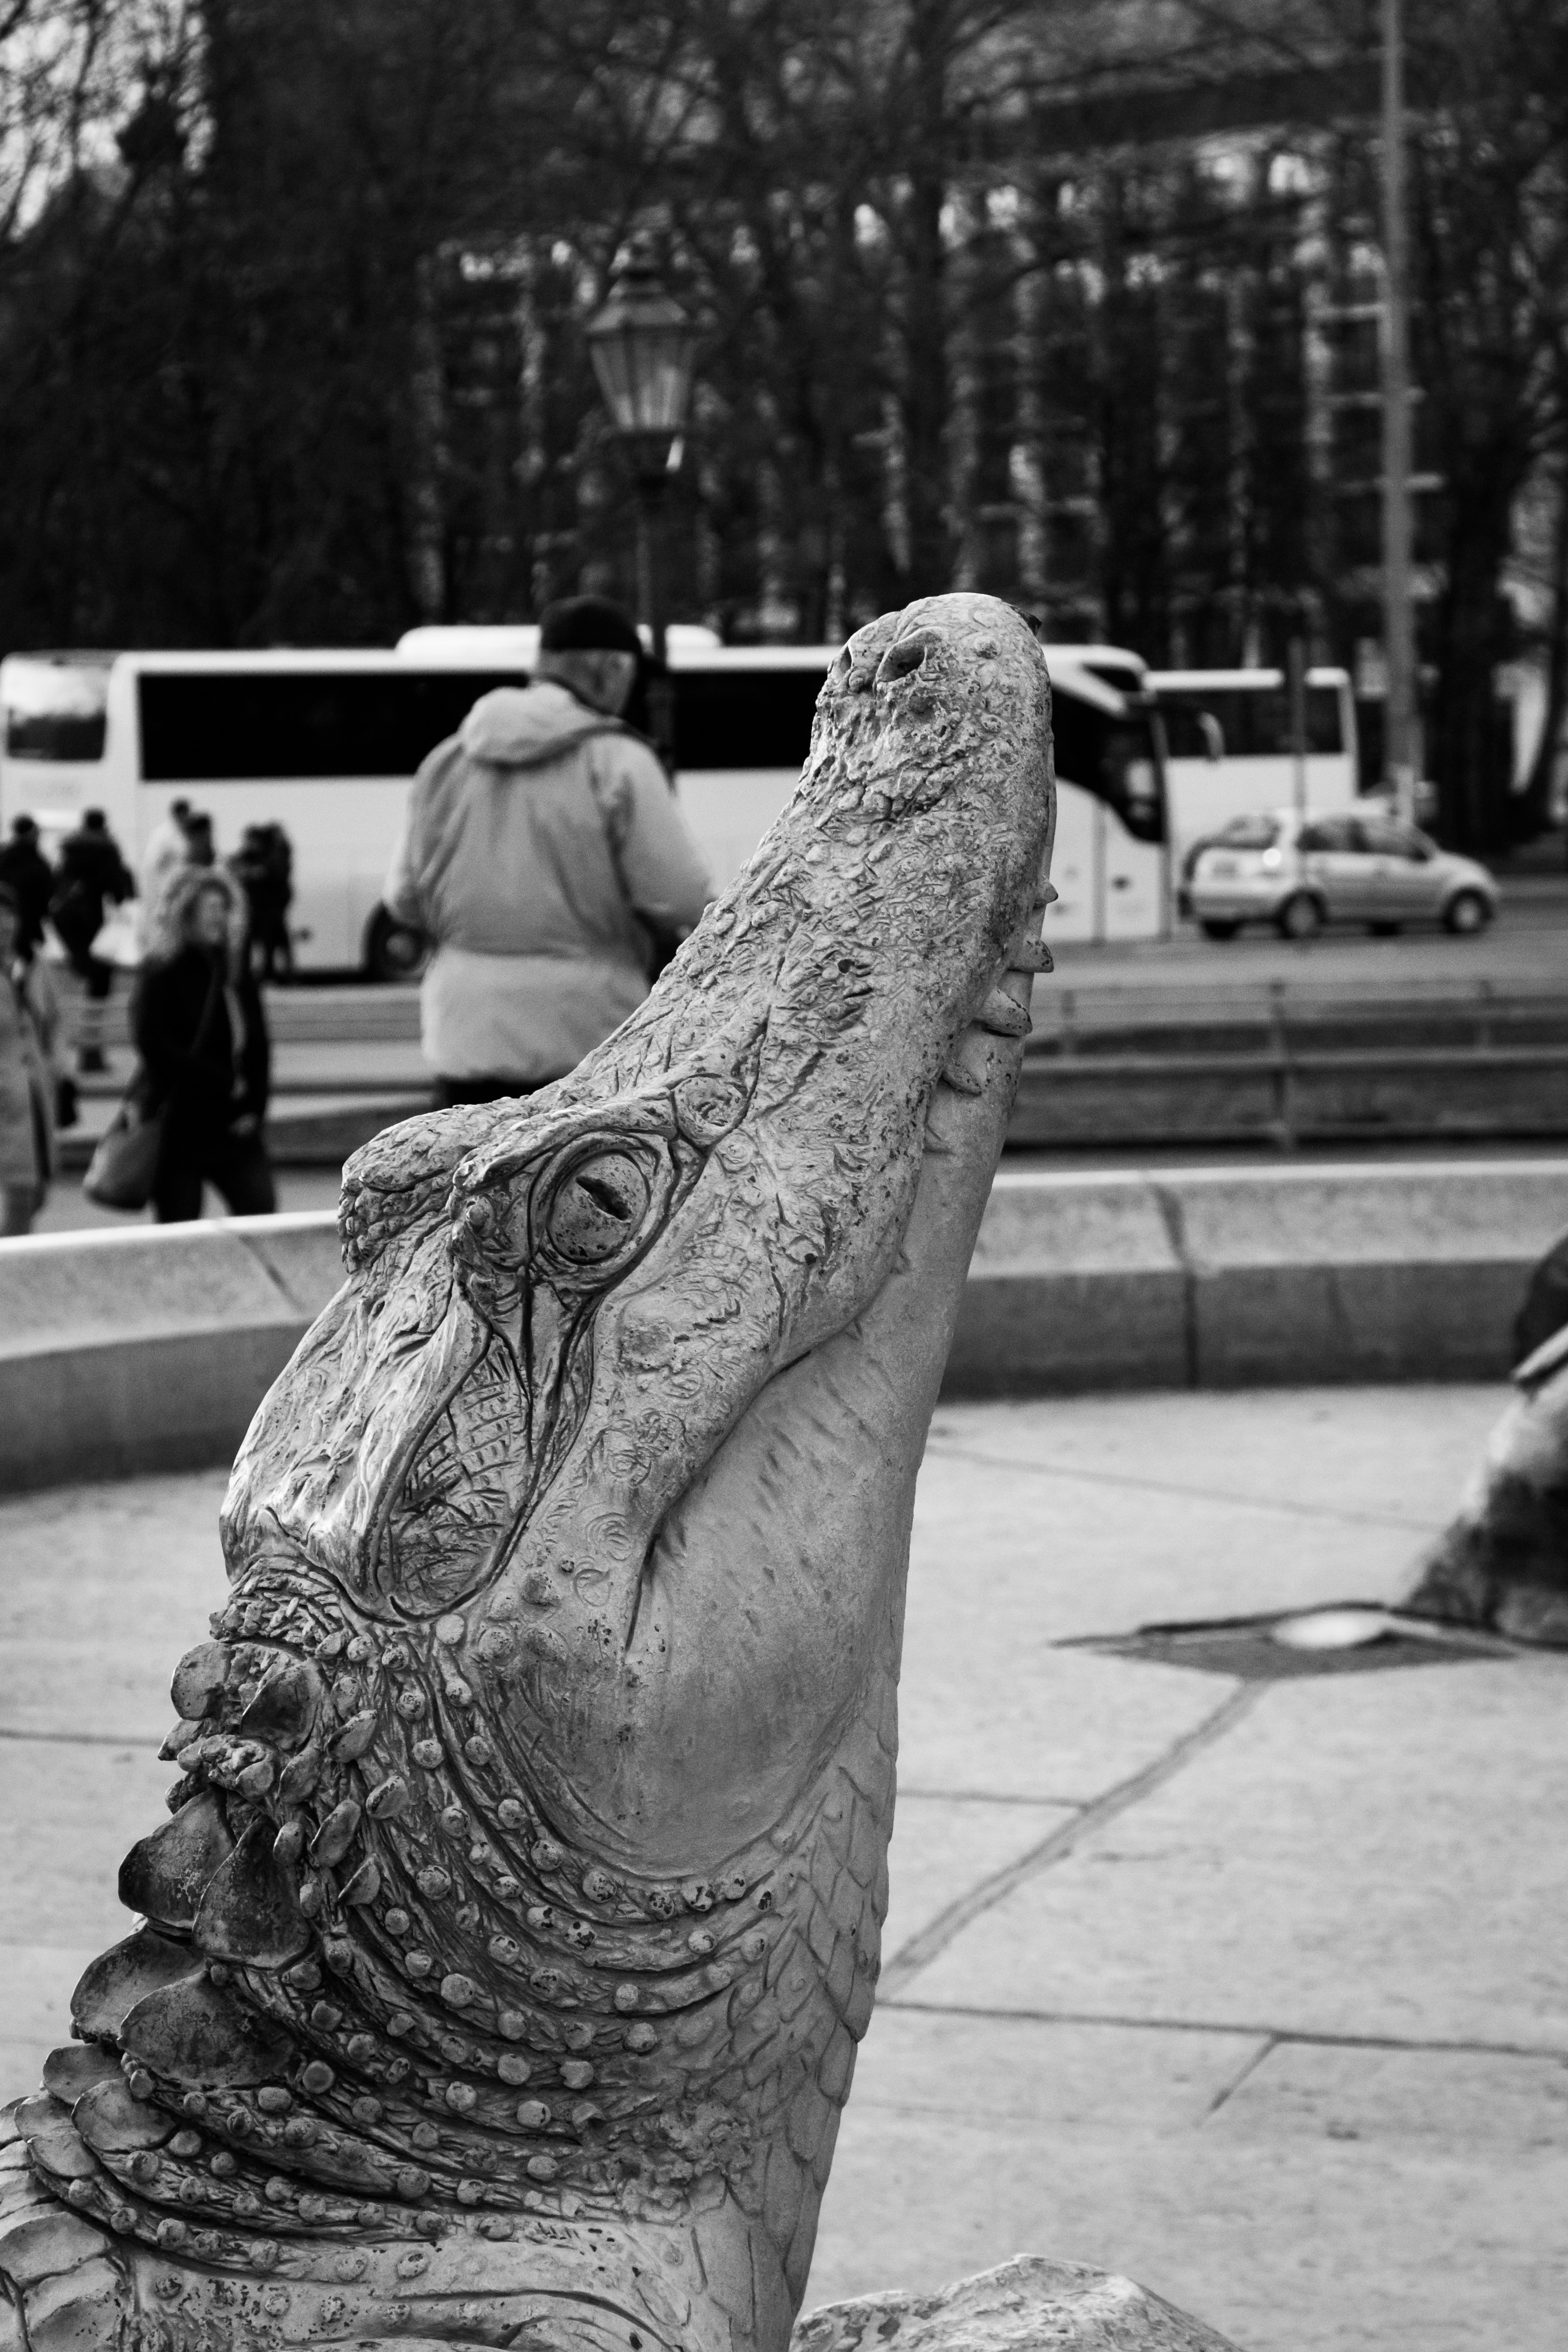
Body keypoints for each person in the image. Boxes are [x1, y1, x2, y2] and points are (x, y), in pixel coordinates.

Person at [382, 594, 714, 1107]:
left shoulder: (447, 760)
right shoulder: (619, 761)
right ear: (610, 670)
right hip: (587, 1037)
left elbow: (403, 898)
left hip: (463, 1038)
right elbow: (681, 897)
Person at [133, 863, 276, 1222]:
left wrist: (256, 1107)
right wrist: (223, 1081)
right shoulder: (161, 971)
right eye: (210, 908)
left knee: (262, 1215)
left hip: (233, 1125)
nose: (220, 917)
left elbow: (259, 1046)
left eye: (225, 908)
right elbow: (154, 1045)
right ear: (185, 914)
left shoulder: (234, 972)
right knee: (180, 1232)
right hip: (179, 1125)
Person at [0, 881, 65, 1235]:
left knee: (36, 1196)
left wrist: (57, 1065)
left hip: (35, 1098)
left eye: (9, 916)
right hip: (6, 1103)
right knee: (19, 1202)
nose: (5, 925)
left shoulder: (33, 964)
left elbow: (54, 1019)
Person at [50, 807, 135, 1074]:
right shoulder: (106, 849)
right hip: (92, 924)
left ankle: (85, 1050)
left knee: (87, 982)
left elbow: (56, 883)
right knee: (100, 986)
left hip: (68, 923)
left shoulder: (70, 848)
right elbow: (119, 889)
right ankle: (91, 1054)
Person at [230, 821, 295, 981]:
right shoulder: (247, 856)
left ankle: (274, 973)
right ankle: (252, 974)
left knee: (271, 942)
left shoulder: (273, 855)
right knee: (254, 942)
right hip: (255, 908)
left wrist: (251, 873)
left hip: (269, 908)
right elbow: (235, 868)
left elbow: (268, 874)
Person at [0, 815, 55, 960]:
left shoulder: (4, 857)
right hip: (29, 923)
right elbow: (46, 897)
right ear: (33, 834)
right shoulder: (38, 864)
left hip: (8, 917)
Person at [140, 798, 193, 906]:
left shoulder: (187, 833)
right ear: (178, 814)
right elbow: (152, 864)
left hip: (183, 886)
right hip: (166, 887)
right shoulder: (162, 835)